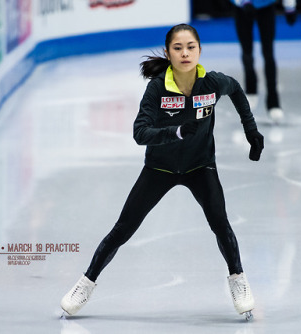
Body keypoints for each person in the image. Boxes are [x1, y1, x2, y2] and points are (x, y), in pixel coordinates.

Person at [60, 23, 264, 320]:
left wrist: (252, 130)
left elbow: (235, 89)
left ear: (199, 50)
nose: (185, 53)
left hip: (200, 166)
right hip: (159, 168)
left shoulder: (212, 83)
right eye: (178, 48)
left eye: (190, 47)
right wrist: (177, 131)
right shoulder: (157, 88)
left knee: (220, 223)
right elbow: (139, 133)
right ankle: (85, 283)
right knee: (123, 229)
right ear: (168, 53)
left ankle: (239, 280)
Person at [230, 0, 297, 123]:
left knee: (268, 54)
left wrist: (289, 6)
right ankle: (251, 89)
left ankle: (273, 102)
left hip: (266, 5)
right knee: (247, 52)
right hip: (242, 8)